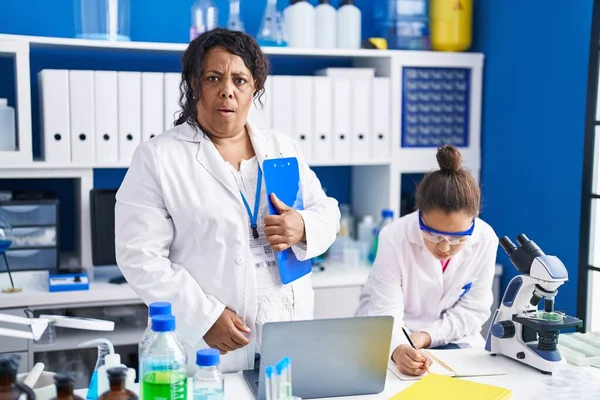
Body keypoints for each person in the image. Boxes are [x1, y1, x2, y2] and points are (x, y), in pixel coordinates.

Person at [114, 28, 340, 373]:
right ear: (194, 84)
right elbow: (139, 256)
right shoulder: (159, 158)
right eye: (213, 78)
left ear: (255, 88)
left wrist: (303, 226)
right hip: (213, 343)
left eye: (240, 80)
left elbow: (327, 211)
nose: (227, 91)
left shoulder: (282, 147)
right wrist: (204, 318)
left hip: (287, 329)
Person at [355, 145, 498, 377]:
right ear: (419, 213)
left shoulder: (485, 239)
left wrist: (425, 337)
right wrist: (398, 348)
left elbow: (473, 310)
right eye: (432, 234)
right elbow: (385, 311)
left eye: (457, 239)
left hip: (454, 339)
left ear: (474, 219)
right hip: (393, 336)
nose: (444, 247)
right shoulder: (394, 236)